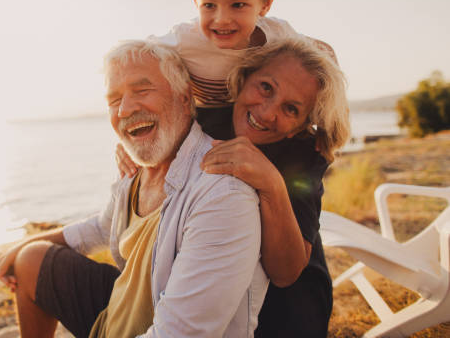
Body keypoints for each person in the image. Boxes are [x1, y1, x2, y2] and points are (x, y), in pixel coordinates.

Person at [0, 40, 269, 338]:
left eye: (142, 90)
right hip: (113, 317)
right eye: (114, 100)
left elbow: (182, 333)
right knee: (31, 258)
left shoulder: (222, 193)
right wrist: (20, 247)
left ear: (184, 96)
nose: (125, 109)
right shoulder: (135, 169)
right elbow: (103, 227)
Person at [117, 38, 350, 337]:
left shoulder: (302, 155)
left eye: (290, 109)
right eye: (265, 87)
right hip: (205, 290)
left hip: (286, 313)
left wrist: (271, 184)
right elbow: (154, 121)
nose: (267, 113)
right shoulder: (206, 120)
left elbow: (286, 273)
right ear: (244, 77)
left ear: (300, 126)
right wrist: (131, 146)